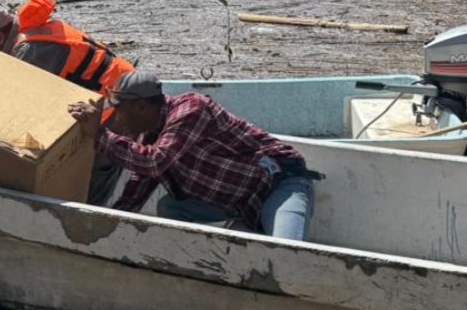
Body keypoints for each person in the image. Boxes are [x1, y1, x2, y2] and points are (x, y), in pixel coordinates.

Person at [68, 70, 320, 240]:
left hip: (279, 184)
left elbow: (153, 162)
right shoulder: (153, 138)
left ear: (141, 107)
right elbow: (133, 196)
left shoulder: (191, 109)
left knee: (287, 253)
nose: (118, 119)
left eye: (119, 111)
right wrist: (98, 233)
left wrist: (99, 134)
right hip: (240, 205)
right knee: (171, 208)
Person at [0, 0, 137, 204]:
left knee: (96, 168)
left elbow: (26, 106)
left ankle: (88, 226)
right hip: (118, 88)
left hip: (119, 103)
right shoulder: (34, 30)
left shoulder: (29, 50)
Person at [0, 0, 134, 93]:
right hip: (127, 79)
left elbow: (28, 101)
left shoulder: (27, 52)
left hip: (118, 100)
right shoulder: (38, 27)